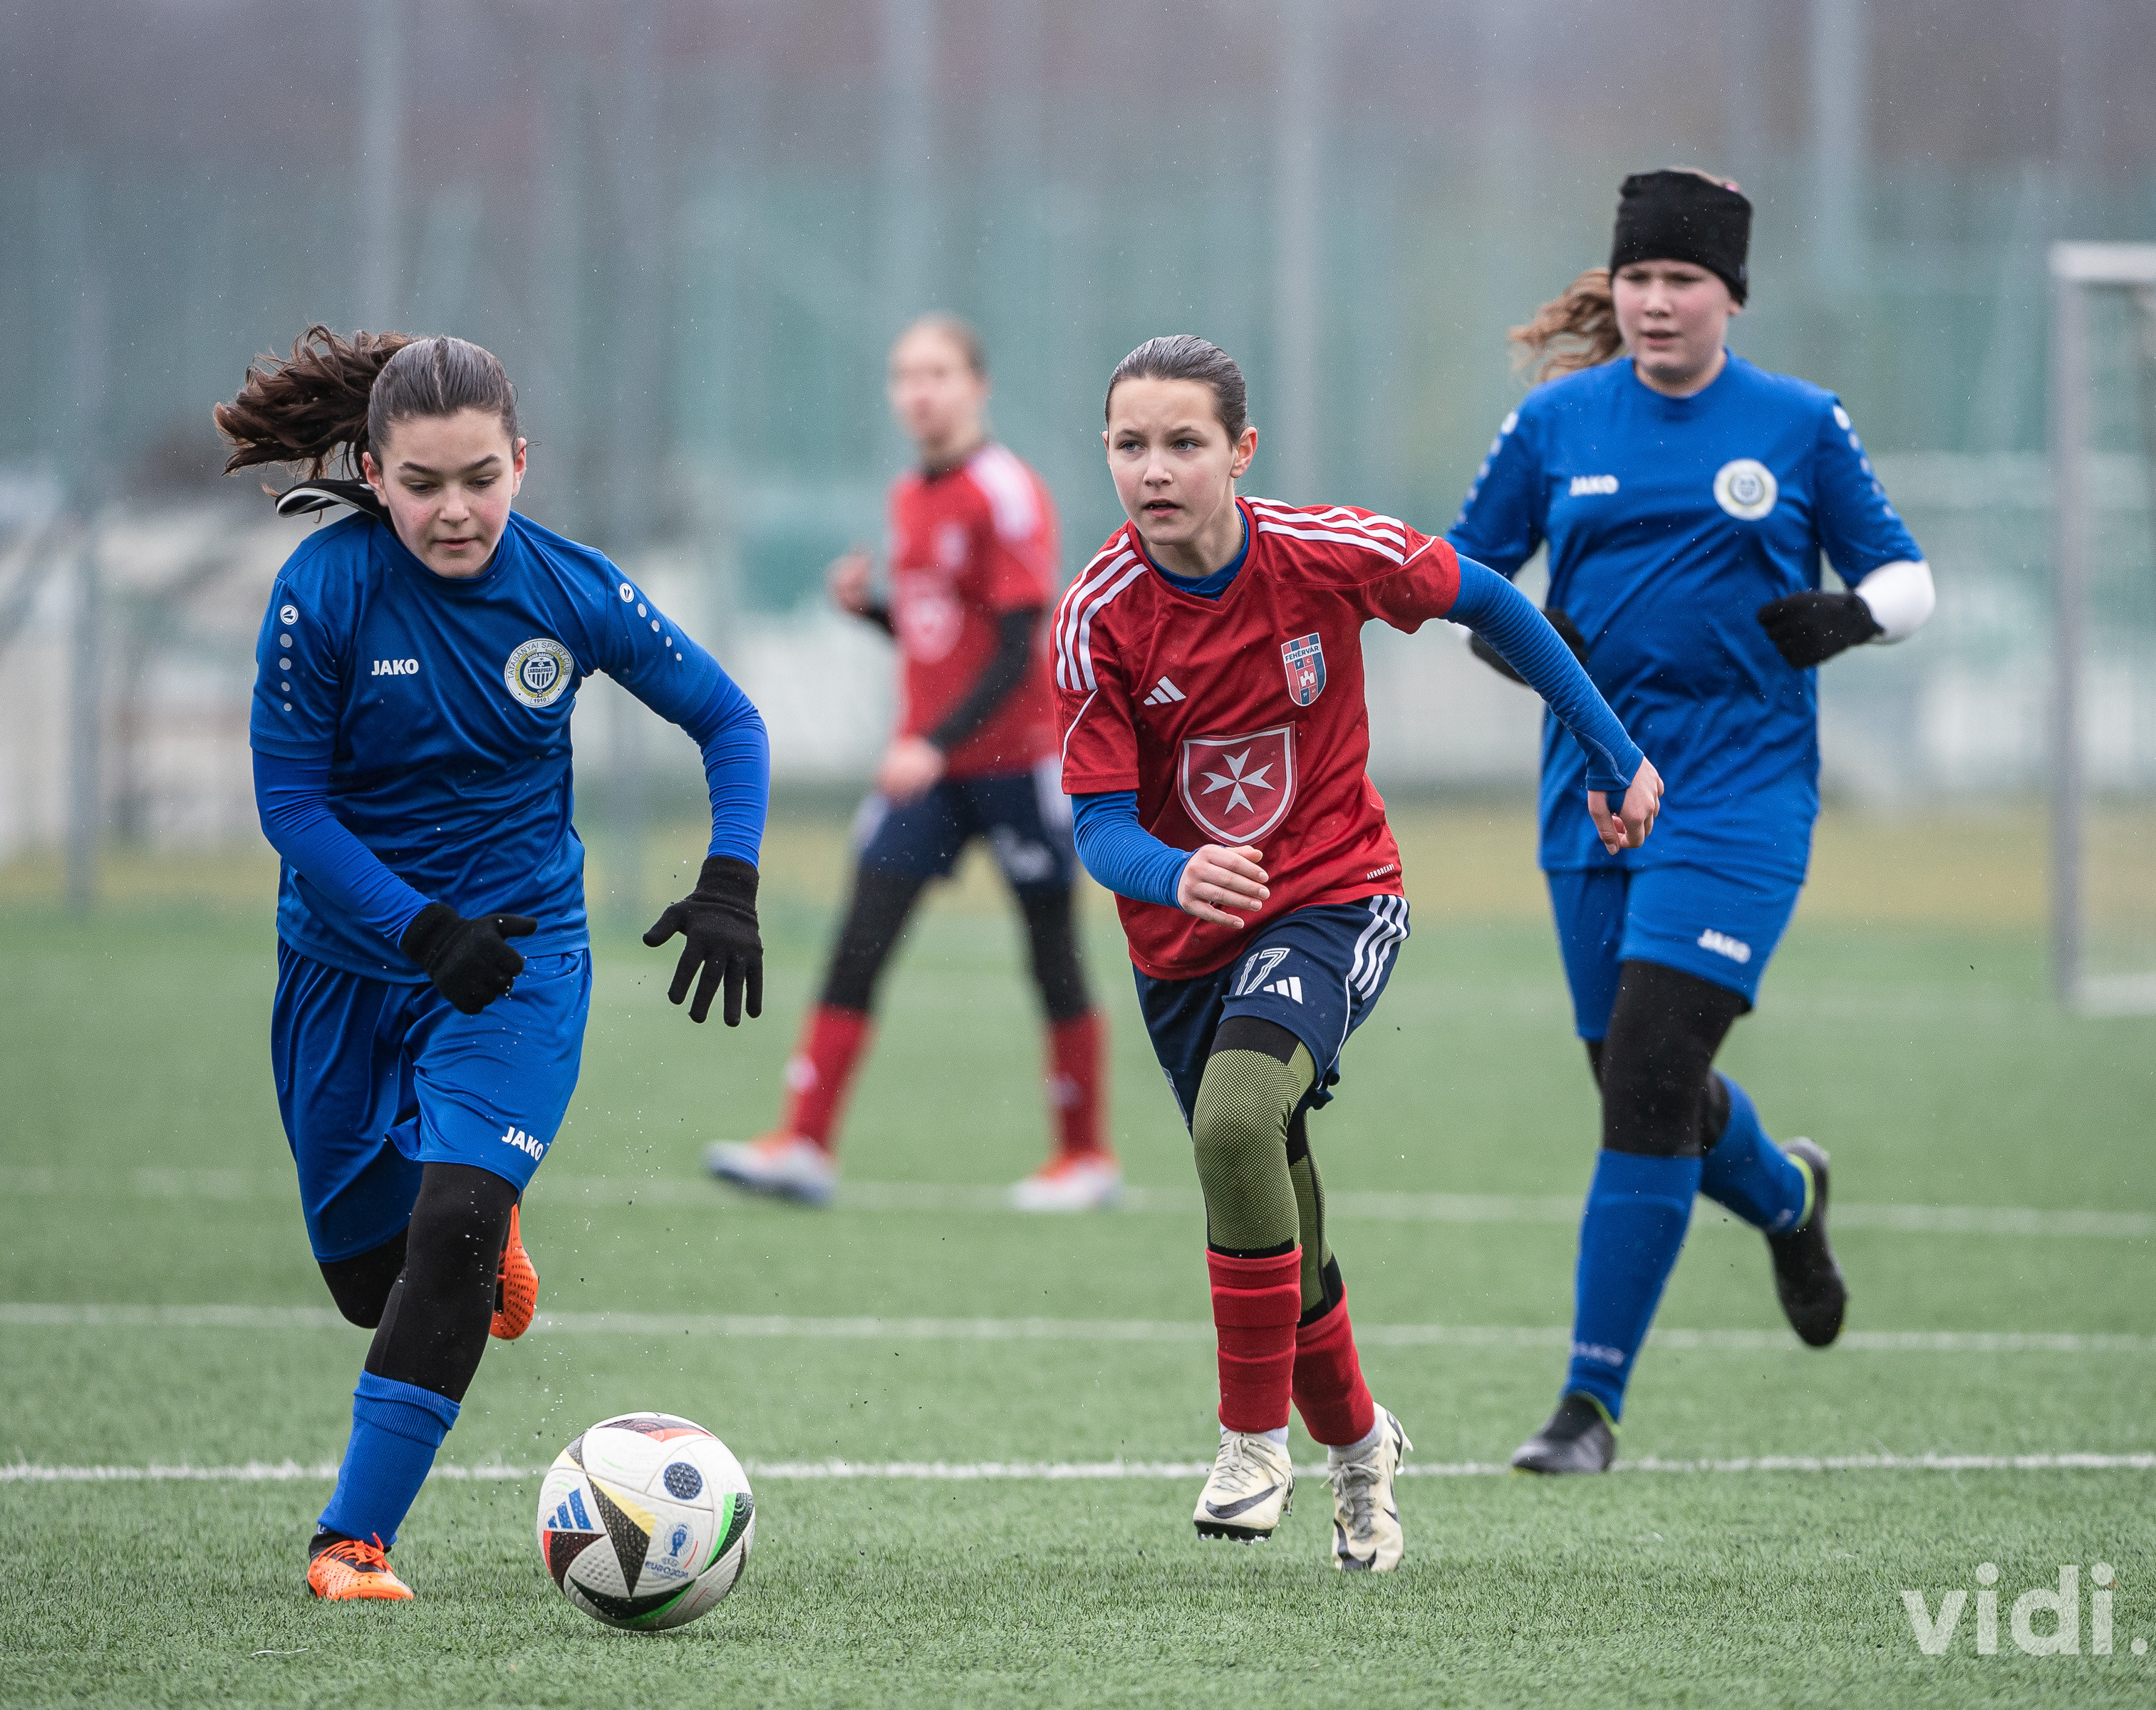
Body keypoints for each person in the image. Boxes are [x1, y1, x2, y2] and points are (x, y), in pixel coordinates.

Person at [1060, 335, 1660, 1568]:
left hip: (1334, 896)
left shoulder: (1325, 553)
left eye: (1184, 443)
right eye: (1130, 445)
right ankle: (1359, 1448)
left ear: (1242, 451)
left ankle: (1249, 1443)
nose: (1155, 469)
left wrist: (1614, 751)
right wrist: (1176, 873)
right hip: (1184, 945)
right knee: (1276, 1204)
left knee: (1236, 1122)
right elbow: (1101, 826)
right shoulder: (1096, 618)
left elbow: (1494, 602)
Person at [217, 327, 770, 1601]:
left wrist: (730, 879)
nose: (455, 510)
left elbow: (728, 719)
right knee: (372, 1285)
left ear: (523, 461)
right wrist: (417, 929)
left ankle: (354, 1543)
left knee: (455, 1230)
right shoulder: (323, 590)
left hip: (519, 962)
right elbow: (291, 805)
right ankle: (478, 1225)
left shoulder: (571, 591)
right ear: (373, 472)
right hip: (346, 968)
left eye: (481, 478)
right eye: (422, 484)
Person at [1448, 170, 1936, 1474]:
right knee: (1635, 1079)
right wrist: (1529, 650)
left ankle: (1588, 1406)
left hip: (1739, 796)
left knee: (1653, 1077)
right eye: (1638, 279)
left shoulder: (1797, 424)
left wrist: (1852, 615)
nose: (1656, 302)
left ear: (1732, 295)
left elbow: (1907, 575)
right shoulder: (1554, 423)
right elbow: (1464, 577)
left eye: (1683, 280)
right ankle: (1788, 1197)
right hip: (1596, 791)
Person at [705, 314, 1114, 1212]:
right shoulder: (908, 494)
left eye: (938, 373)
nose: (919, 392)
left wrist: (931, 741)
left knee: (1051, 951)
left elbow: (1018, 643)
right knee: (862, 935)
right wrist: (872, 614)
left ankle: (1086, 1159)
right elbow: (944, 635)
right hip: (933, 768)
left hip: (1016, 761)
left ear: (978, 387)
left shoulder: (1005, 490)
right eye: (905, 375)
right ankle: (804, 1145)